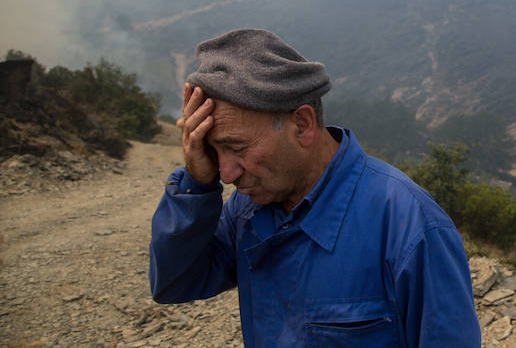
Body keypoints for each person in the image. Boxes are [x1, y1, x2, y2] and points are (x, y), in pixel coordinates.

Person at [148, 28, 480, 347]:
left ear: (303, 125)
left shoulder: (409, 225)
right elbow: (175, 283)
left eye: (236, 147)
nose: (226, 172)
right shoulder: (248, 210)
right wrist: (196, 183)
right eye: (213, 149)